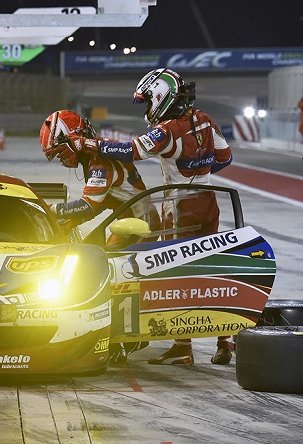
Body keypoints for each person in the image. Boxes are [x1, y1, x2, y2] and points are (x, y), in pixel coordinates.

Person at [67, 68, 234, 366]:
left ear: (161, 96)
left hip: (181, 205)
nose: (147, 108)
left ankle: (183, 348)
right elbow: (225, 157)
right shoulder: (205, 119)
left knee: (178, 274)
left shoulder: (168, 130)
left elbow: (129, 151)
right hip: (210, 200)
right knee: (211, 268)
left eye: (147, 101)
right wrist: (199, 169)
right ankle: (226, 341)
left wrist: (88, 144)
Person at [41, 109, 158, 363]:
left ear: (74, 139)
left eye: (59, 153)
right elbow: (100, 204)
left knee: (109, 277)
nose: (60, 161)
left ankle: (125, 340)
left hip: (140, 227)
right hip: (127, 220)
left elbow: (87, 206)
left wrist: (50, 211)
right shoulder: (93, 158)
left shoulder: (99, 162)